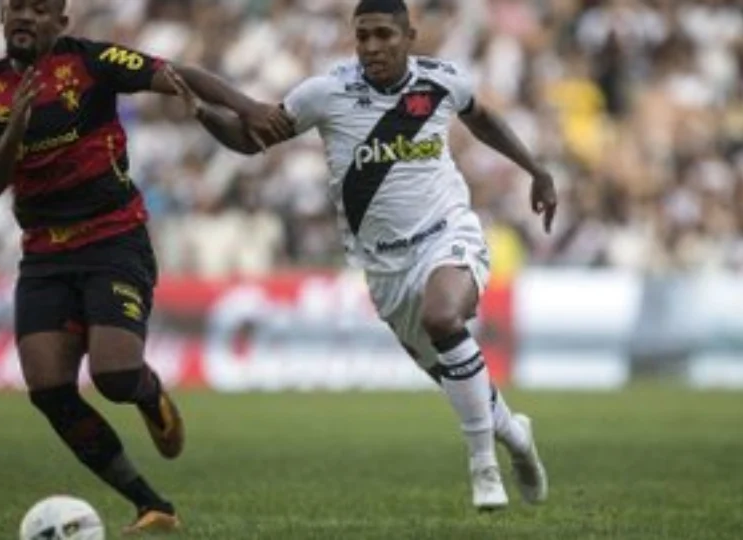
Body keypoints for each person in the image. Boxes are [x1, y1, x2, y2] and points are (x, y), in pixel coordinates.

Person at [167, 0, 554, 511]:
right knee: (456, 376)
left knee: (444, 316)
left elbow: (482, 120)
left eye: (382, 36)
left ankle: (483, 467)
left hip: (447, 233)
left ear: (409, 36)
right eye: (362, 37)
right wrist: (201, 112)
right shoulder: (326, 93)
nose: (371, 47)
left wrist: (537, 170)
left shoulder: (441, 81)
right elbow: (250, 138)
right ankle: (514, 434)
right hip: (385, 270)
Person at [0, 0, 291, 533]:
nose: (25, 16)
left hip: (113, 238)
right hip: (44, 251)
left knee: (114, 375)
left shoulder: (92, 63)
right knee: (48, 390)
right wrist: (14, 131)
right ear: (2, 18)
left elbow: (179, 74)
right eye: (15, 7)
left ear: (61, 23)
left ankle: (148, 393)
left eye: (40, 9)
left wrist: (249, 107)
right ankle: (150, 504)